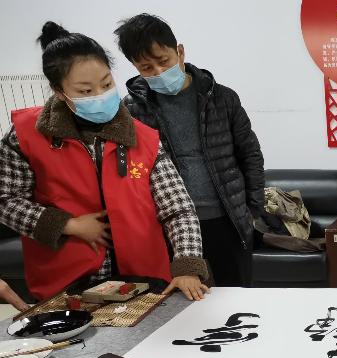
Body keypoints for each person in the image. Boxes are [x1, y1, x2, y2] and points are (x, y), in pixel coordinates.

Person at [0, 22, 209, 302]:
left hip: (141, 282)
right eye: (86, 91)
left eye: (106, 83)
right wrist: (68, 225)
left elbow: (178, 208)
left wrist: (187, 265)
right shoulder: (26, 135)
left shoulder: (142, 138)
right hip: (67, 286)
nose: (100, 94)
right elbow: (6, 200)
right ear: (59, 91)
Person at [114, 14, 265, 287]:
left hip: (227, 218)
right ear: (135, 66)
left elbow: (250, 154)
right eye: (147, 68)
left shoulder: (221, 98)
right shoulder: (131, 110)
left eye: (164, 61)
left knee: (237, 294)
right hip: (172, 226)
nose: (158, 72)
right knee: (184, 301)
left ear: (180, 52)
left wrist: (252, 209)